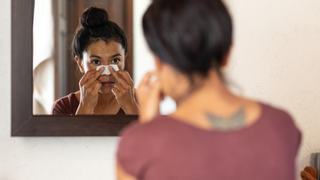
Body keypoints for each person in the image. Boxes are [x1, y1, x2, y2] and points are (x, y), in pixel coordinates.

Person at [116, 0, 301, 179]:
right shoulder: (282, 126)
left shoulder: (137, 146)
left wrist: (148, 128)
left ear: (158, 60)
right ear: (227, 54)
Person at [51, 7, 138, 115]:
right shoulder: (63, 107)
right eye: (96, 62)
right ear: (80, 64)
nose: (107, 73)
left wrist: (131, 107)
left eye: (115, 60)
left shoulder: (146, 100)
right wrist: (85, 108)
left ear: (124, 59)